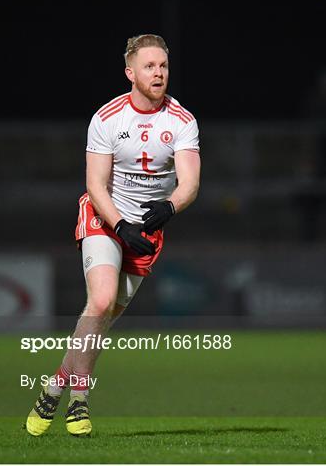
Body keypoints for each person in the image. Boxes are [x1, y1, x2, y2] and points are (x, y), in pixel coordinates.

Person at [25, 34, 201, 437]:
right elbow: (96, 184)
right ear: (130, 73)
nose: (158, 73)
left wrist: (169, 207)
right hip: (106, 219)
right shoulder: (107, 118)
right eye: (149, 66)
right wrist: (120, 225)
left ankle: (52, 388)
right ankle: (79, 403)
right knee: (100, 300)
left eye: (163, 66)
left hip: (148, 230)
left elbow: (189, 182)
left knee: (101, 322)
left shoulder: (182, 120)